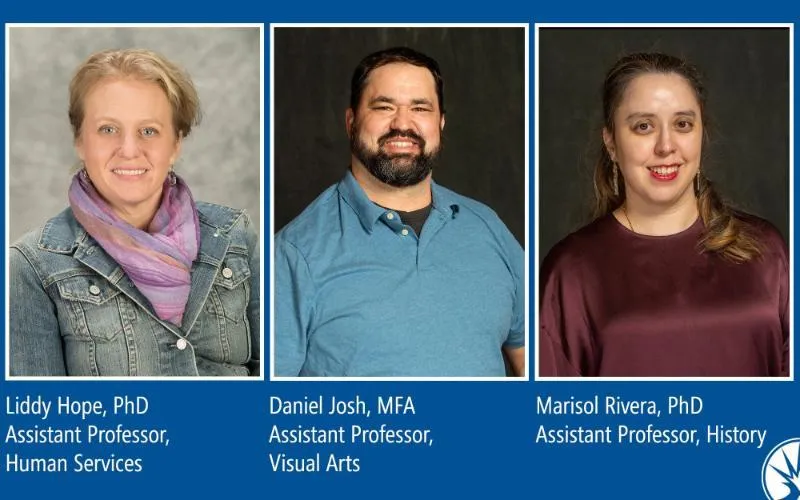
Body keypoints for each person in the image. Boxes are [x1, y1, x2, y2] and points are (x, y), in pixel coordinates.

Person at [275, 47, 525, 377]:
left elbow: (532, 363)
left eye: (420, 108)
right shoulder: (294, 252)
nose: (402, 124)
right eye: (384, 107)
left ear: (441, 123)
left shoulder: (488, 228)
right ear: (351, 121)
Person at [9, 49, 260, 376]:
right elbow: (42, 416)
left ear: (176, 144)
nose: (129, 150)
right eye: (108, 129)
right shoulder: (31, 268)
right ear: (80, 141)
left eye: (149, 131)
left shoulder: (235, 237)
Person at [539, 52, 789, 377]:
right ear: (611, 143)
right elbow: (554, 413)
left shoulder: (765, 249)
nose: (665, 146)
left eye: (682, 124)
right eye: (643, 126)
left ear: (702, 133)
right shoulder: (571, 270)